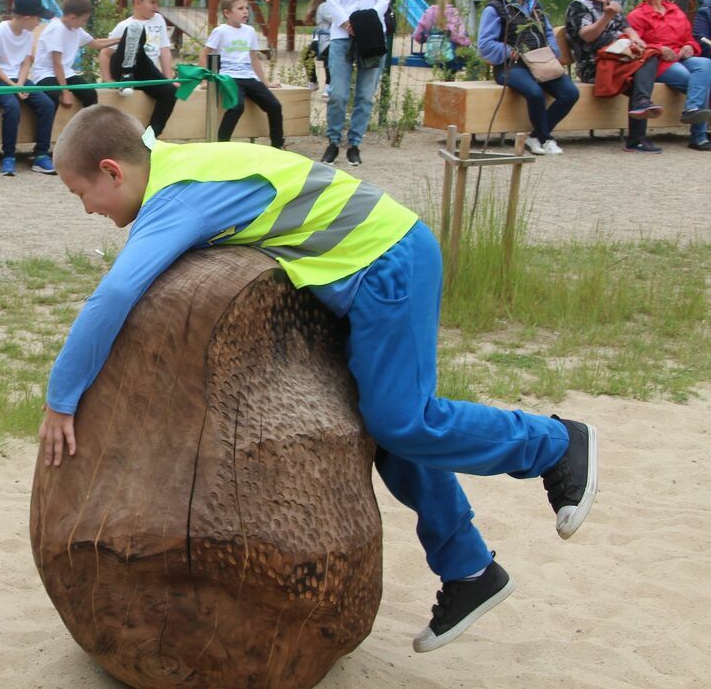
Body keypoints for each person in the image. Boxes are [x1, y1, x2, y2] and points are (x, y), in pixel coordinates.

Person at [39, 104, 599, 655]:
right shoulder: (180, 168)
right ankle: (470, 570)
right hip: (364, 271)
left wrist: (62, 399)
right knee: (386, 431)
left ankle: (556, 444)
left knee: (405, 420)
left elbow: (115, 293)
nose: (87, 209)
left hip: (387, 260)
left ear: (112, 170)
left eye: (80, 193)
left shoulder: (177, 195)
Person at [477, 0, 579, 156]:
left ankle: (536, 136)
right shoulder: (495, 7)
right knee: (534, 93)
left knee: (570, 93)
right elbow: (484, 44)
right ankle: (546, 139)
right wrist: (509, 51)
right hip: (511, 65)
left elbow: (548, 32)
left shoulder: (535, 4)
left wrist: (553, 52)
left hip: (540, 62)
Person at [564, 0, 664, 153]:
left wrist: (635, 38)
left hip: (620, 59)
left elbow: (627, 27)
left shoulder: (609, 4)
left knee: (649, 56)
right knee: (644, 70)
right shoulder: (578, 6)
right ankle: (637, 137)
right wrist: (606, 17)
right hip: (595, 65)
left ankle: (638, 126)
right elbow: (587, 36)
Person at [322, 0, 390, 167]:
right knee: (338, 93)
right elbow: (333, 1)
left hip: (371, 35)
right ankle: (333, 140)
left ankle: (355, 143)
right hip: (343, 35)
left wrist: (365, 23)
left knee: (365, 94)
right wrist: (348, 23)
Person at [627, 0, 711, 152]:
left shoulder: (675, 10)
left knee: (706, 64)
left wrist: (690, 46)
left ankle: (692, 109)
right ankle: (699, 137)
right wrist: (659, 49)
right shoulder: (637, 15)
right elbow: (636, 47)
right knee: (698, 82)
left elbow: (690, 37)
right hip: (657, 62)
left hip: (681, 56)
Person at [28, 0, 119, 159]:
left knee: (90, 93)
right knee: (53, 97)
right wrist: (65, 91)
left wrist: (120, 39)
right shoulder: (57, 29)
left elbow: (96, 43)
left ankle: (85, 140)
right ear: (71, 17)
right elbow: (56, 63)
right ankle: (40, 148)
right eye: (84, 20)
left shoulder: (75, 28)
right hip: (45, 72)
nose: (84, 23)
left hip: (65, 72)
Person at [0, 0, 57, 176]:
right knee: (12, 106)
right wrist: (13, 86)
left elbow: (26, 63)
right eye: (37, 18)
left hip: (19, 79)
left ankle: (41, 154)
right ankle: (8, 156)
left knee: (47, 105)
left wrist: (22, 85)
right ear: (27, 18)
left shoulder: (28, 34)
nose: (39, 22)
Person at [201, 0, 284, 149]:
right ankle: (221, 146)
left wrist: (266, 82)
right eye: (240, 8)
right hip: (229, 78)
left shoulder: (249, 31)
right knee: (237, 106)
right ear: (227, 13)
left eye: (246, 8)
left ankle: (278, 146)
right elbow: (204, 55)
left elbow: (253, 58)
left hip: (249, 77)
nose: (245, 11)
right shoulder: (220, 31)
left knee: (274, 106)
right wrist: (207, 79)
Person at [98, 0, 179, 138]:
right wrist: (108, 80)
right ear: (137, 3)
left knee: (170, 92)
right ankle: (126, 77)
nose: (156, 7)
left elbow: (164, 50)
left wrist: (167, 79)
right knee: (136, 29)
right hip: (123, 67)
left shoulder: (159, 20)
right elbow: (105, 53)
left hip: (146, 70)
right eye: (152, 2)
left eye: (157, 2)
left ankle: (150, 137)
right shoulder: (125, 25)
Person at [413, 0, 472, 77]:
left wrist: (428, 37)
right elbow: (458, 35)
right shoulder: (453, 13)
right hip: (450, 55)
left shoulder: (429, 12)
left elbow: (417, 35)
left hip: (432, 54)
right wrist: (466, 42)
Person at [301, 0, 331, 97]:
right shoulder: (324, 6)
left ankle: (329, 84)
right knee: (308, 55)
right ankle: (313, 81)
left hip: (330, 38)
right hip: (323, 38)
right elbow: (334, 19)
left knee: (327, 59)